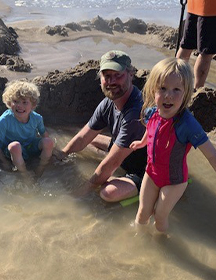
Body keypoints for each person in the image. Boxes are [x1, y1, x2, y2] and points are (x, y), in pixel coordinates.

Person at [130, 58, 216, 233]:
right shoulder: (152, 112)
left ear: (186, 92)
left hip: (174, 181)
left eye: (176, 90)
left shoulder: (188, 124)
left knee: (160, 217)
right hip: (151, 173)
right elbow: (151, 131)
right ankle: (139, 242)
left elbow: (212, 155)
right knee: (142, 212)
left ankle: (162, 244)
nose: (168, 95)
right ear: (153, 89)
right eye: (163, 88)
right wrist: (143, 142)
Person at [54, 50, 147, 202]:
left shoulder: (136, 113)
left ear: (131, 74)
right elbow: (83, 137)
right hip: (124, 152)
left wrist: (80, 193)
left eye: (118, 75)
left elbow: (112, 163)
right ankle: (108, 158)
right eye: (107, 76)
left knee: (107, 193)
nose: (111, 81)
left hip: (143, 169)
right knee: (83, 139)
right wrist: (61, 155)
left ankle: (141, 187)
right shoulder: (109, 102)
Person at [0, 80, 54, 177]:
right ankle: (24, 174)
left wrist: (52, 149)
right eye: (15, 101)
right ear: (9, 103)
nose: (19, 105)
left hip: (30, 146)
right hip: (14, 151)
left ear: (33, 105)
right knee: (15, 146)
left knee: (48, 142)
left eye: (24, 102)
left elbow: (44, 135)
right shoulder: (4, 120)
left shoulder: (37, 118)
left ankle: (41, 168)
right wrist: (4, 162)